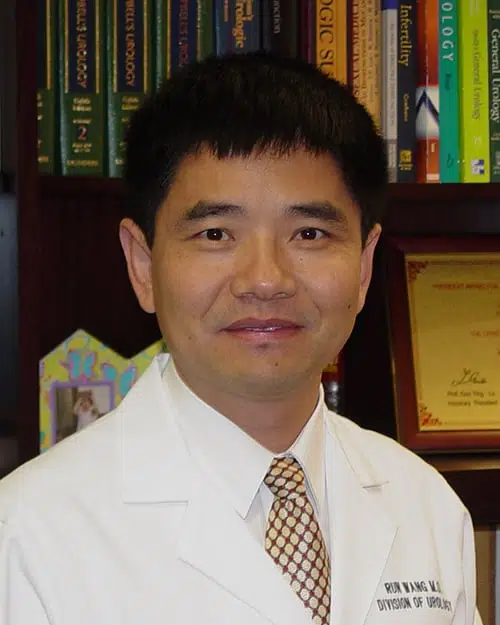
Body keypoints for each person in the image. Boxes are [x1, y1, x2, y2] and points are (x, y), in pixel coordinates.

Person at [0, 52, 482, 625]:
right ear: (143, 266)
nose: (265, 280)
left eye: (309, 233)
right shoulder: (28, 534)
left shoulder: (424, 504)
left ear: (363, 266)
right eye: (215, 234)